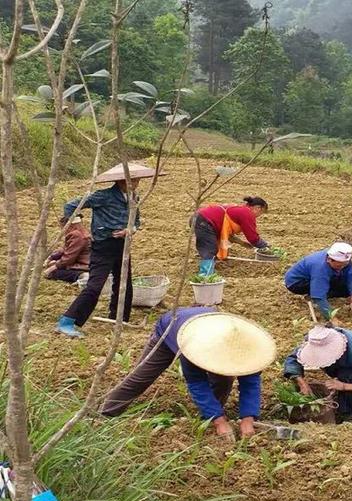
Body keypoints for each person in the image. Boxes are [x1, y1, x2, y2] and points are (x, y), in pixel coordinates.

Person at [101, 309, 276, 440]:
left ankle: (208, 417)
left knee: (224, 379)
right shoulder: (193, 346)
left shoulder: (249, 349)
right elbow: (196, 382)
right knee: (142, 376)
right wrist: (219, 421)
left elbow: (250, 382)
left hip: (211, 328)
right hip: (171, 328)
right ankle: (104, 413)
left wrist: (248, 418)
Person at [56, 163, 160, 338]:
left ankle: (120, 317)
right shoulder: (103, 196)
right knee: (95, 286)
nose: (136, 182)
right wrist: (80, 227)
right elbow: (71, 205)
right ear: (121, 180)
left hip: (123, 245)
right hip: (103, 246)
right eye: (132, 179)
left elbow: (137, 220)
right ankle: (67, 321)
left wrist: (131, 229)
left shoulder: (134, 197)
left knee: (124, 284)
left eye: (137, 179)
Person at [284, 242, 352, 320]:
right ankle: (314, 296)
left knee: (349, 286)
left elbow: (350, 276)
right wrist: (332, 318)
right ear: (329, 260)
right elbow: (319, 296)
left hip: (319, 276)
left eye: (344, 265)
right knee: (319, 293)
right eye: (339, 266)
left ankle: (320, 294)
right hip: (296, 283)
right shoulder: (320, 267)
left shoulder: (343, 259)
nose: (342, 268)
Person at [192, 196, 269, 275]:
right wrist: (266, 246)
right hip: (204, 220)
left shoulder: (241, 209)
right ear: (258, 208)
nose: (259, 216)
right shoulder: (247, 213)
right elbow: (253, 238)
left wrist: (241, 243)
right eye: (261, 213)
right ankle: (205, 275)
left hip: (200, 217)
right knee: (209, 248)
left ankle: (207, 261)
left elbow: (227, 233)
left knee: (208, 245)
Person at [43, 215, 91, 284]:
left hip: (83, 266)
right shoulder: (80, 231)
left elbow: (69, 257)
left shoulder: (76, 235)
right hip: (82, 263)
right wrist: (52, 257)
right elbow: (66, 249)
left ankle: (83, 275)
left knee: (54, 273)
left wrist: (55, 266)